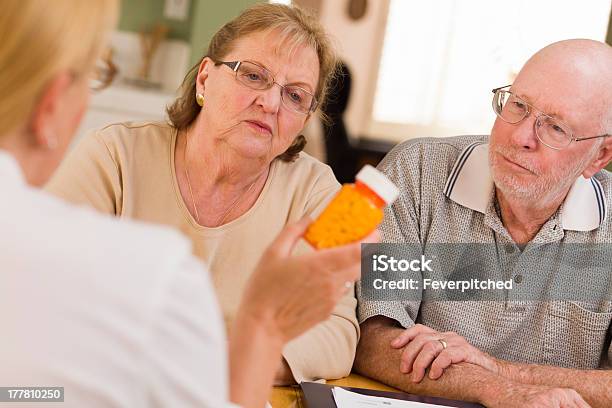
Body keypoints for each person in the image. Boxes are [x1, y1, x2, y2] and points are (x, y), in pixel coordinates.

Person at [0, 1, 377, 407]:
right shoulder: (113, 155)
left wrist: (224, 360)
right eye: (253, 75)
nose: (270, 103)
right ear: (204, 80)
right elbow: (45, 298)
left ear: (303, 121)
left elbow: (337, 330)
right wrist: (241, 352)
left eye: (295, 96)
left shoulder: (319, 190)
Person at [355, 39, 612, 408]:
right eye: (518, 105)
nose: (521, 137)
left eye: (555, 128)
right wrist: (501, 392)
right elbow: (372, 339)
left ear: (599, 155)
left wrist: (501, 371)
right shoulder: (416, 172)